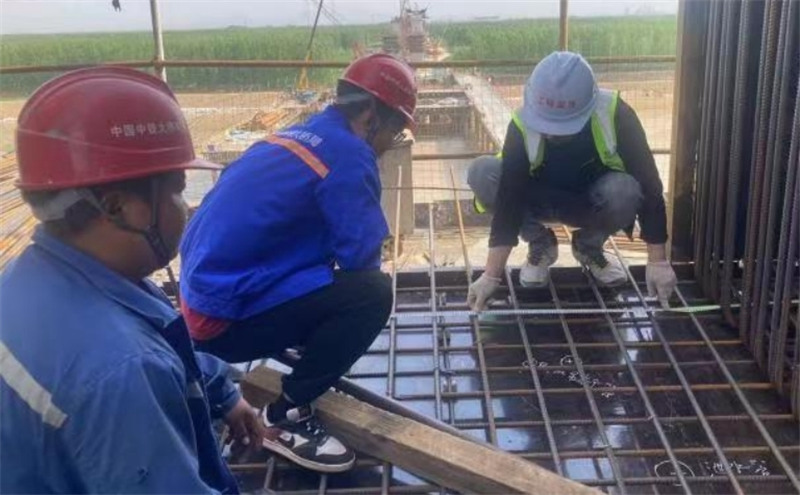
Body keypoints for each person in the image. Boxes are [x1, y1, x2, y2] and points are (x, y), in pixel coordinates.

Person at [0, 67, 264, 494]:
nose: (186, 207)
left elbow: (158, 331)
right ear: (117, 207)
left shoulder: (34, 276)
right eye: (177, 190)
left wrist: (224, 393)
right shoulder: (121, 370)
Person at [179, 53, 417, 473]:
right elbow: (362, 259)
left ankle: (304, 351)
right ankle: (286, 416)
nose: (388, 143)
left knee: (331, 276)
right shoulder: (349, 154)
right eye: (394, 129)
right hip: (223, 324)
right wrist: (337, 339)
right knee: (371, 295)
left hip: (198, 305)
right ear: (369, 115)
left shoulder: (291, 136)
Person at [467, 51, 677, 311]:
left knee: (625, 190)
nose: (552, 134)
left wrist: (658, 261)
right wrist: (491, 275)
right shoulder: (522, 123)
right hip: (537, 199)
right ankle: (541, 244)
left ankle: (589, 247)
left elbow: (649, 185)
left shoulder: (614, 114)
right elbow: (509, 197)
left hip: (590, 201)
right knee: (482, 172)